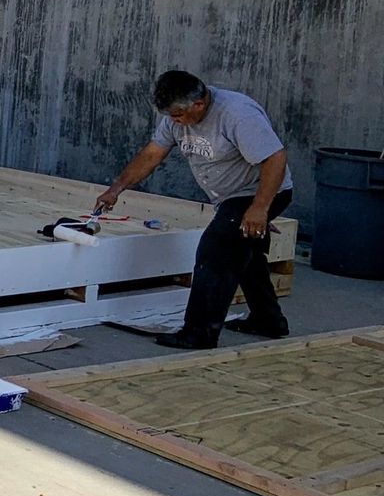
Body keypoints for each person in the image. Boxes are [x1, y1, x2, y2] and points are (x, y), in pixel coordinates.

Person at [95, 70, 293, 350]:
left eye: (178, 116)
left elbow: (275, 157)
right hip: (229, 198)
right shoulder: (177, 117)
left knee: (215, 251)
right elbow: (152, 153)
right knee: (244, 254)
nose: (174, 122)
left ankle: (199, 333)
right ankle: (268, 321)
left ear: (198, 104)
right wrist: (116, 189)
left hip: (259, 192)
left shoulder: (237, 115)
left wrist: (260, 208)